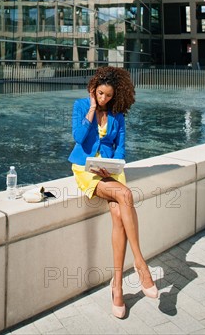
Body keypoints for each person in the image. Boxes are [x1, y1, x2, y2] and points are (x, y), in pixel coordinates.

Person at [68, 66, 158, 319]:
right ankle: (140, 264)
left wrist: (114, 167)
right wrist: (91, 109)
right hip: (85, 169)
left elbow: (120, 148)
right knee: (126, 196)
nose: (104, 99)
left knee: (119, 213)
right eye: (100, 94)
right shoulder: (80, 106)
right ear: (93, 90)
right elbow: (78, 136)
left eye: (108, 96)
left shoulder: (118, 116)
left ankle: (117, 287)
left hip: (110, 172)